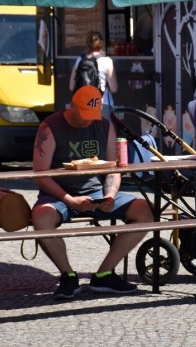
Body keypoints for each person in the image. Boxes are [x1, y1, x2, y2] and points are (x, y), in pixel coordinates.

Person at [31, 85, 152, 299]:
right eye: (84, 114)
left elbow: (113, 169)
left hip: (96, 192)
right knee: (41, 217)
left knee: (144, 211)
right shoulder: (50, 127)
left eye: (92, 115)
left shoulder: (104, 125)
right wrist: (69, 199)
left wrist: (110, 195)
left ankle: (104, 274)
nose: (89, 120)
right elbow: (40, 173)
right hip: (60, 194)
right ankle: (68, 275)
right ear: (73, 106)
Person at [68, 31, 118, 118]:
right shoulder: (107, 61)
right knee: (104, 131)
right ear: (101, 43)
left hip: (83, 105)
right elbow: (114, 88)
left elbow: (72, 86)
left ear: (88, 44)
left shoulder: (80, 60)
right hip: (103, 104)